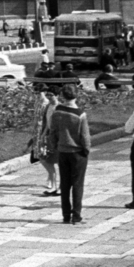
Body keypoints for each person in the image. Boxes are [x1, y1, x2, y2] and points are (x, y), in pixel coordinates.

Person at [48, 83, 91, 224]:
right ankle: (76, 215)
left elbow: (52, 132)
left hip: (62, 151)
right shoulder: (80, 115)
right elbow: (85, 136)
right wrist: (86, 150)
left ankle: (66, 215)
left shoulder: (57, 112)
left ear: (62, 96)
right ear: (76, 95)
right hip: (77, 152)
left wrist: (54, 146)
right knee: (78, 184)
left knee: (65, 184)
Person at [32, 89, 60, 197]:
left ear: (57, 95)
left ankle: (56, 187)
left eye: (52, 95)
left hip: (56, 137)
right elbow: (46, 122)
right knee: (44, 159)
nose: (49, 97)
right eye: (48, 95)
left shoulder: (59, 107)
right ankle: (53, 184)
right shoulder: (49, 106)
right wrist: (43, 134)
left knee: (51, 160)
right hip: (48, 135)